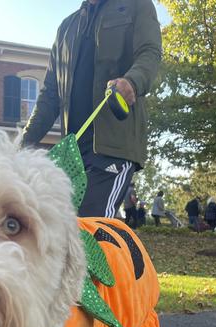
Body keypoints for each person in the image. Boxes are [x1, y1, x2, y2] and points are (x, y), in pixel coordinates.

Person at [21, 0, 162, 218]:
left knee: (91, 226)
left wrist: (133, 81)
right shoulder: (66, 27)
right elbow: (50, 94)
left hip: (113, 147)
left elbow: (150, 52)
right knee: (58, 229)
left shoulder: (136, 5)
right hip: (72, 153)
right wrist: (20, 144)